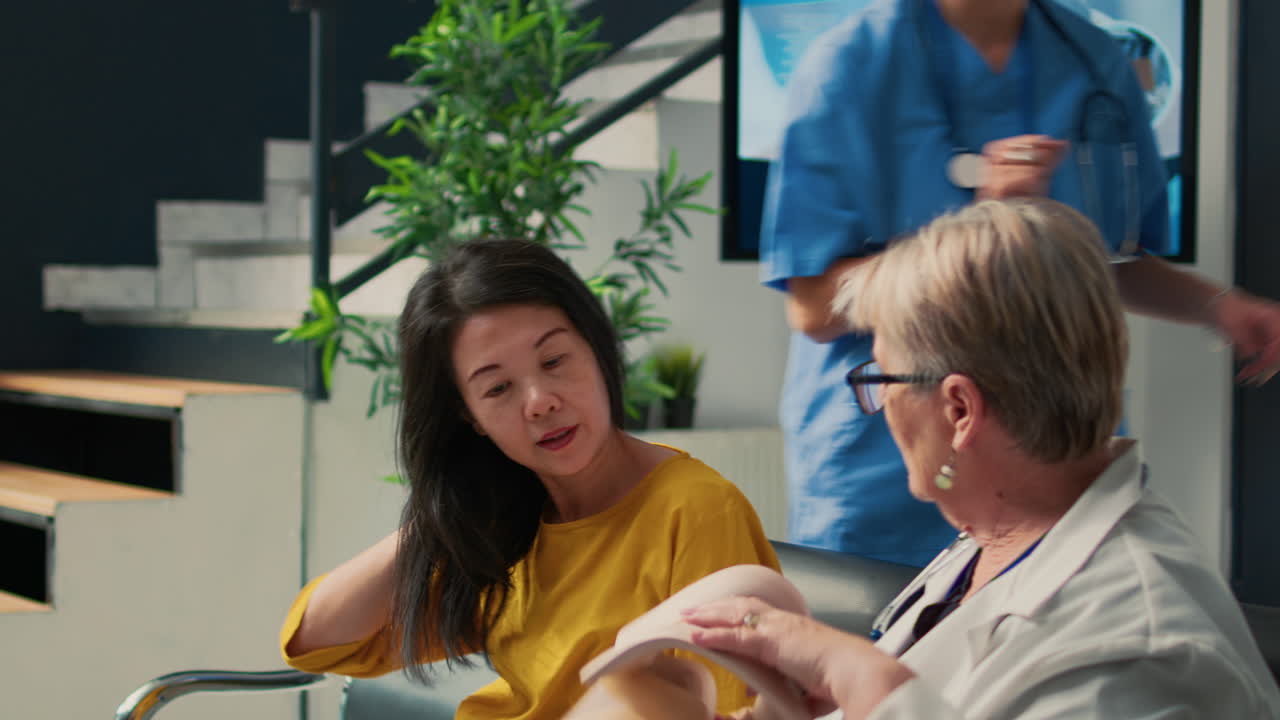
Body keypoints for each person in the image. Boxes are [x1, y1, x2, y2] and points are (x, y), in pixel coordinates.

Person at [570, 199, 1280, 719]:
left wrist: (868, 682)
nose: (874, 410)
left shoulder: (1135, 657)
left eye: (879, 381)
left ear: (960, 410)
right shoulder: (1001, 539)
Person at [761, 0, 1280, 566]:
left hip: (1052, 447)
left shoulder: (1096, 61)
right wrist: (982, 234)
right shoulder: (850, 65)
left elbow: (1104, 258)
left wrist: (1222, 308)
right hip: (892, 463)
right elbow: (815, 307)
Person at [278, 238, 780, 720]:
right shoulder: (514, 519)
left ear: (597, 348)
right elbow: (315, 640)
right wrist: (446, 511)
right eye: (497, 388)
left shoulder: (697, 511)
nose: (540, 401)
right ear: (469, 417)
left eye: (555, 360)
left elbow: (724, 708)